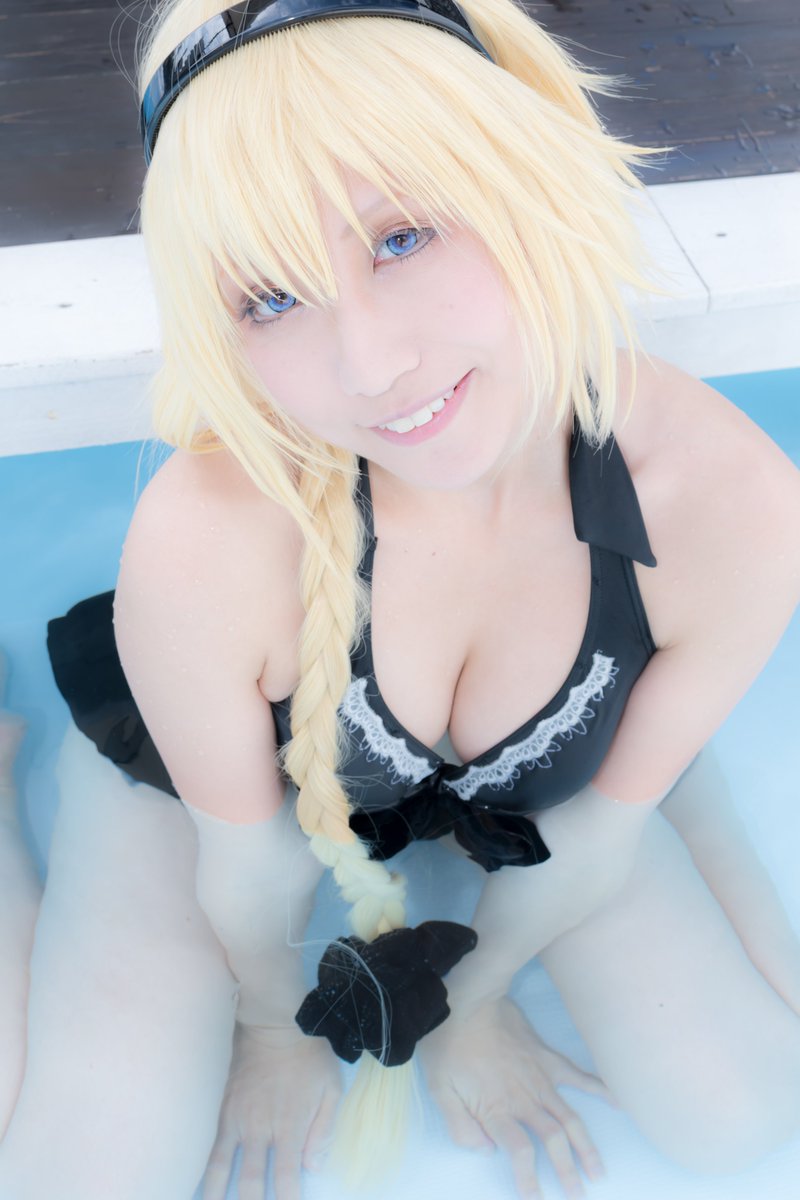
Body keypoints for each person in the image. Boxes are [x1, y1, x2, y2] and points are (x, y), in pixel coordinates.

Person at [1, 1, 799, 1198]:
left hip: (526, 798)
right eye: (269, 299)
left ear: (523, 176)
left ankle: (675, 777)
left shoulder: (722, 499)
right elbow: (249, 870)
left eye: (402, 237)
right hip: (206, 783)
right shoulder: (211, 541)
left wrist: (469, 1007)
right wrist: (276, 1032)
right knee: (77, 1183)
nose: (368, 365)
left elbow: (588, 841)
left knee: (740, 1118)